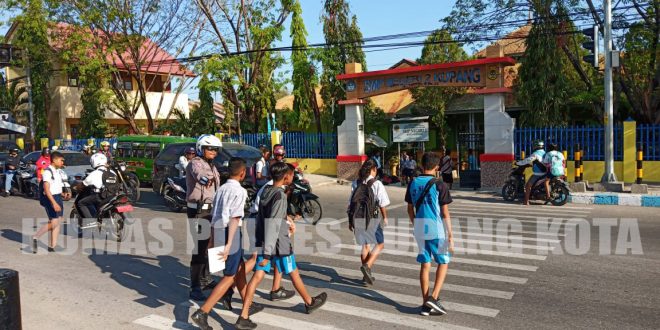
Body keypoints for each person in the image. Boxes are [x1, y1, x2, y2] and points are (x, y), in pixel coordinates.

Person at [235, 162, 327, 330]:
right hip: (278, 244)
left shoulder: (266, 191)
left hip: (264, 241)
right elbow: (273, 225)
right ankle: (310, 302)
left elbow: (264, 219)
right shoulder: (280, 196)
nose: (292, 177)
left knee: (257, 277)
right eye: (291, 175)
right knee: (294, 273)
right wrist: (269, 253)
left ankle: (243, 315)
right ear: (285, 177)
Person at [191, 157, 265, 329]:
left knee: (239, 268)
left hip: (217, 230)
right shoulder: (240, 191)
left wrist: (212, 240)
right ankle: (203, 312)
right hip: (229, 233)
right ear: (243, 173)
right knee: (229, 276)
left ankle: (248, 305)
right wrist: (228, 244)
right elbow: (234, 219)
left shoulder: (222, 188)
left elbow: (214, 214)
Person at [405, 152, 454, 316]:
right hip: (436, 229)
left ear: (422, 164)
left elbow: (410, 208)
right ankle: (433, 297)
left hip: (419, 227)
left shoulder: (412, 183)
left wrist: (416, 223)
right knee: (443, 261)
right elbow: (445, 214)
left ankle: (425, 303)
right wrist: (451, 235)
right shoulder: (440, 185)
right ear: (437, 167)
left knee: (425, 264)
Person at [186, 134, 223, 301]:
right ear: (201, 148)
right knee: (200, 249)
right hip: (199, 211)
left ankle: (206, 278)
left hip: (211, 211)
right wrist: (203, 178)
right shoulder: (195, 163)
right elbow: (198, 173)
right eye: (210, 148)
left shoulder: (213, 166)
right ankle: (194, 286)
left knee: (212, 245)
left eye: (215, 149)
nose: (213, 152)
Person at [348, 159, 390, 286]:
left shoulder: (356, 182)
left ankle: (366, 276)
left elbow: (351, 203)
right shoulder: (377, 184)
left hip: (358, 217)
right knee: (380, 244)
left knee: (365, 246)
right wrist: (385, 217)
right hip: (372, 218)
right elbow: (382, 204)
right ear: (374, 170)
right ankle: (367, 266)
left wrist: (350, 220)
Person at [32, 151, 70, 253]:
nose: (63, 162)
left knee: (58, 221)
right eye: (61, 160)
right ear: (54, 160)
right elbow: (46, 189)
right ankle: (36, 236)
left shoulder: (58, 171)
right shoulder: (48, 172)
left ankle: (52, 246)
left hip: (57, 196)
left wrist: (62, 194)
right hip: (50, 198)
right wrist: (54, 202)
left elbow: (55, 187)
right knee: (54, 221)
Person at [75, 153, 110, 222]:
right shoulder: (111, 171)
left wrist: (76, 188)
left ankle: (90, 221)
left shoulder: (94, 173)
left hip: (100, 196)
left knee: (81, 203)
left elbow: (83, 184)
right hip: (112, 195)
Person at [517, 140, 547, 205]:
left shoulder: (535, 154)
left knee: (528, 185)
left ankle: (526, 201)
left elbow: (527, 160)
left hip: (538, 174)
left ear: (535, 146)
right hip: (545, 173)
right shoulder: (545, 153)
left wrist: (518, 163)